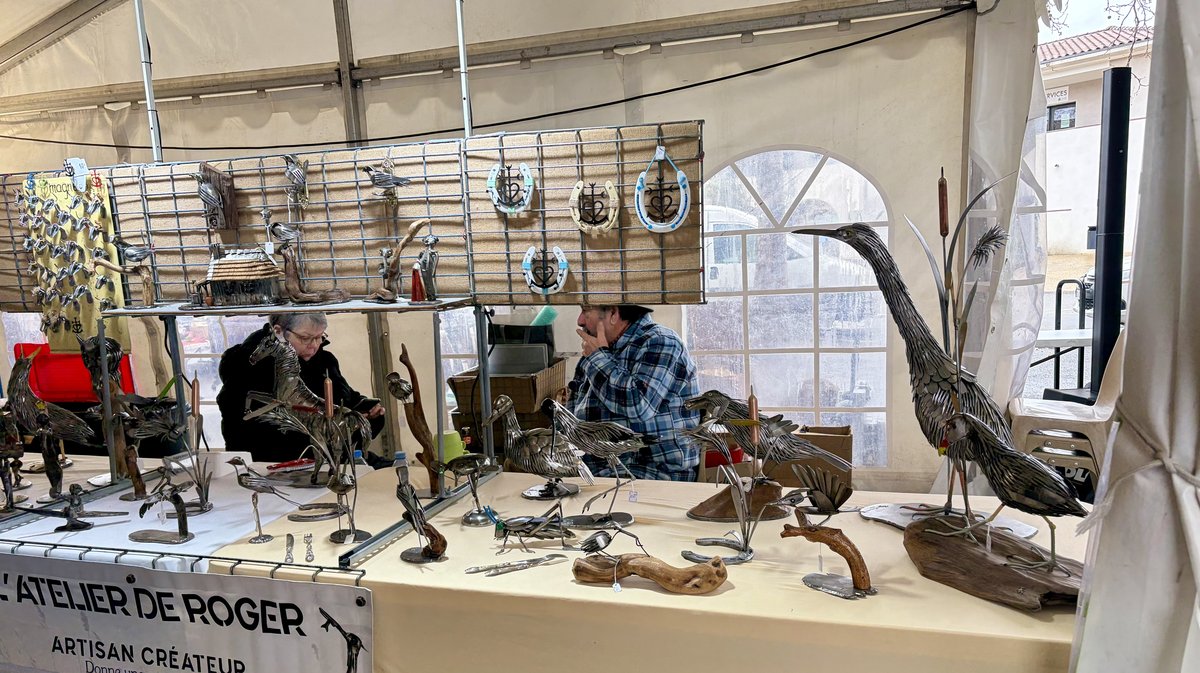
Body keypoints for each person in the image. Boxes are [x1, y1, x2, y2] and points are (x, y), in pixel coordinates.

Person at [216, 313, 385, 464]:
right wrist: (337, 428)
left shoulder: (324, 361)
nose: (314, 345)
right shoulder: (248, 369)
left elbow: (346, 398)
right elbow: (252, 430)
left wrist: (366, 412)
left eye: (319, 337)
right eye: (305, 338)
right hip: (280, 467)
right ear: (278, 332)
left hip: (337, 458)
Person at [566, 304, 700, 481]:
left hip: (651, 475)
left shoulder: (661, 342)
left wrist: (598, 357)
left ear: (613, 313)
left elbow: (638, 404)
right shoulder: (597, 352)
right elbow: (572, 417)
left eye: (586, 310)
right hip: (596, 473)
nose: (580, 320)